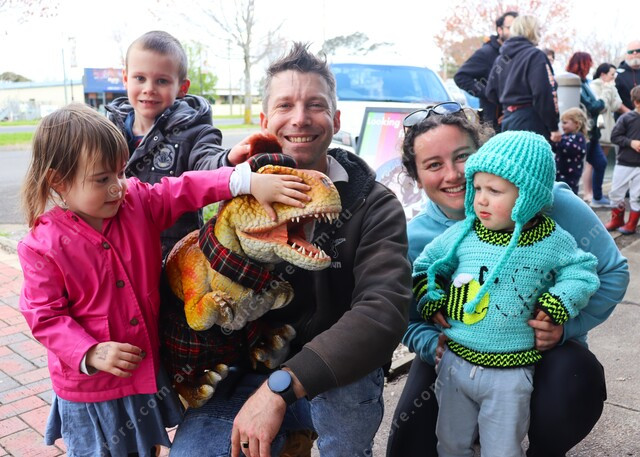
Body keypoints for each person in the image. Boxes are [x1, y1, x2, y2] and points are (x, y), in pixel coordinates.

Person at [17, 104, 311, 456]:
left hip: (141, 373)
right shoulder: (42, 246)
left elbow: (185, 188)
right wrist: (89, 351)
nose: (117, 187)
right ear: (58, 181)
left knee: (146, 448)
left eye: (120, 172)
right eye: (101, 179)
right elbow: (45, 316)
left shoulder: (137, 203)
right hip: (89, 388)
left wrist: (246, 181)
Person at [169, 42, 411, 457]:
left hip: (336, 372)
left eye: (315, 105)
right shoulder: (237, 194)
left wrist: (281, 388)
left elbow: (382, 312)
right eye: (285, 105)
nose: (300, 118)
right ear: (265, 121)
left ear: (336, 119)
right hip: (248, 368)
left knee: (344, 433)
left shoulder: (374, 204)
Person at [386, 109, 629, 457]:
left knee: (574, 379)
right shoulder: (417, 237)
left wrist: (565, 327)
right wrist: (429, 342)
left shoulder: (549, 202)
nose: (454, 175)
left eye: (462, 156)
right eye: (434, 164)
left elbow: (610, 271)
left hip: (538, 350)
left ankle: (544, 447)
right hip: (458, 350)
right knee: (412, 443)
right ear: (417, 176)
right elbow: (405, 317)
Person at [105, 30, 228, 259]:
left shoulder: (195, 132)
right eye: (140, 78)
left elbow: (208, 163)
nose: (149, 88)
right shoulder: (106, 130)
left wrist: (228, 161)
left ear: (182, 87)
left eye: (161, 81)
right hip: (120, 255)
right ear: (125, 78)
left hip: (175, 258)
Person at [485, 15, 560, 142]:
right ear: (532, 31)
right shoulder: (535, 56)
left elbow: (490, 92)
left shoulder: (501, 58)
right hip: (532, 123)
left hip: (508, 121)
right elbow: (543, 93)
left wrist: (508, 108)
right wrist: (553, 127)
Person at [453, 11, 518, 131]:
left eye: (518, 28)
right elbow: (460, 77)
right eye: (510, 28)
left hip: (514, 119)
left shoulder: (516, 53)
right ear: (500, 30)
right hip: (494, 125)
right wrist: (489, 93)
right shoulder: (486, 53)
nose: (515, 32)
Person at [566, 52, 610, 208]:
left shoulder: (583, 83)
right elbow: (592, 105)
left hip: (591, 132)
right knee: (576, 168)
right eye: (588, 64)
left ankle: (596, 196)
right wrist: (602, 102)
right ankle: (577, 199)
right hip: (582, 132)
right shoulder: (574, 84)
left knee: (600, 162)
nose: (591, 67)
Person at [606, 86, 640, 234]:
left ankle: (632, 224)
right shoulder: (626, 118)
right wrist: (631, 143)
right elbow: (615, 137)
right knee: (616, 192)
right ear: (636, 102)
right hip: (625, 163)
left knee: (637, 195)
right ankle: (617, 219)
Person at [551, 107, 589, 194]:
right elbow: (556, 148)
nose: (562, 126)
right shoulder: (565, 136)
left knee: (569, 193)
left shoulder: (579, 137)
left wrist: (559, 141)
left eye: (565, 123)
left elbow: (571, 148)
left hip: (571, 175)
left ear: (576, 123)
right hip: (560, 172)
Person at [615, 40, 640, 114]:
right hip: (625, 117)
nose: (634, 54)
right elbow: (614, 98)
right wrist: (631, 114)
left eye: (638, 51)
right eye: (631, 52)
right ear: (626, 54)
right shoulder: (617, 74)